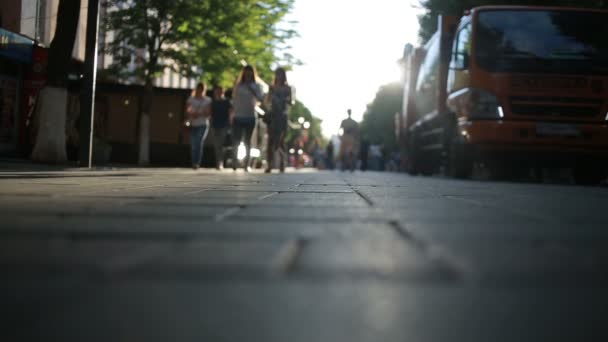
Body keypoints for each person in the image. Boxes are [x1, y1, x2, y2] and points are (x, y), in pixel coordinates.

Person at [231, 65, 264, 172]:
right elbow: (234, 99)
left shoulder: (257, 85)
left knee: (247, 141)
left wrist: (252, 89)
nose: (248, 74)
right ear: (243, 73)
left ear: (253, 73)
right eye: (246, 72)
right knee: (236, 140)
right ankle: (235, 162)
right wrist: (232, 113)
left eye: (250, 72)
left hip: (250, 116)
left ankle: (246, 164)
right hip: (238, 116)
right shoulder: (238, 85)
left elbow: (261, 98)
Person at [264, 67, 293, 173]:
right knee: (270, 141)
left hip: (283, 116)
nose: (278, 76)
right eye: (277, 74)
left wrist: (286, 100)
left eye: (280, 74)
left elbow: (291, 101)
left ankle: (282, 163)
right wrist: (270, 94)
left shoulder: (288, 88)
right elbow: (267, 101)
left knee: (281, 141)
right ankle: (269, 164)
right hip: (273, 116)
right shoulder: (272, 87)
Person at [186, 82, 212, 169]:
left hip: (203, 124)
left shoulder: (208, 100)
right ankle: (194, 162)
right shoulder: (191, 99)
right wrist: (193, 113)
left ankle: (197, 163)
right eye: (198, 88)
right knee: (193, 144)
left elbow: (208, 113)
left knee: (198, 142)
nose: (199, 90)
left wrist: (198, 113)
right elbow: (188, 110)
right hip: (193, 124)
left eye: (201, 89)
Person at [210, 85, 232, 170]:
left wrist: (230, 124)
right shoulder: (213, 102)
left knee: (222, 145)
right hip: (215, 125)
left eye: (220, 91)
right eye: (217, 91)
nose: (218, 92)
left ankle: (221, 162)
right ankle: (218, 162)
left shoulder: (227, 102)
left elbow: (230, 113)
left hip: (224, 125)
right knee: (216, 145)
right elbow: (211, 113)